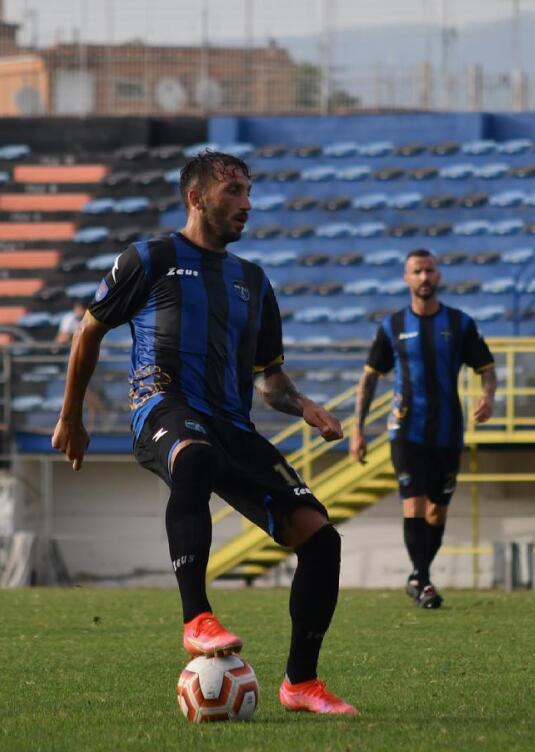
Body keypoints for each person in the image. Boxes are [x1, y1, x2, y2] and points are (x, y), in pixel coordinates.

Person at [52, 150, 357, 715]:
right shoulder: (149, 258)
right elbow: (88, 332)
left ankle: (301, 683)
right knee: (193, 459)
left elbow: (270, 381)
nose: (246, 204)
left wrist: (305, 405)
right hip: (162, 407)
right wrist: (73, 415)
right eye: (234, 191)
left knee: (321, 538)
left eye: (248, 192)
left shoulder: (254, 281)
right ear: (197, 197)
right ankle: (196, 617)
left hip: (232, 425)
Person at [349, 249, 497, 609]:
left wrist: (488, 395)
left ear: (438, 276)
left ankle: (419, 575)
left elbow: (486, 368)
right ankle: (422, 578)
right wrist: (358, 429)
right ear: (407, 278)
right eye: (417, 271)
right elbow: (369, 380)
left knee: (437, 511)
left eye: (429, 270)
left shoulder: (460, 324)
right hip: (406, 429)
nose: (424, 277)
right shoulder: (392, 327)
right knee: (413, 504)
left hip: (448, 431)